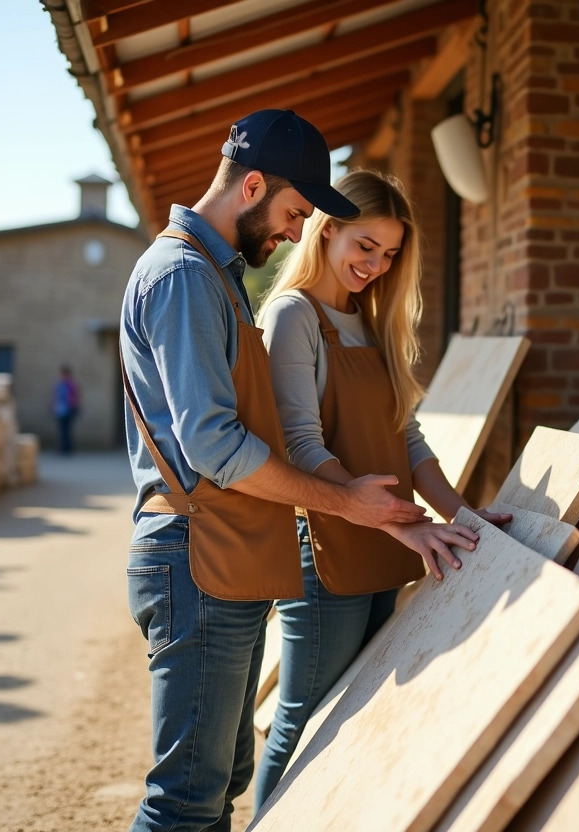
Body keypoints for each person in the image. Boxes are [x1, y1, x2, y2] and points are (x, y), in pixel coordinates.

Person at [118, 110, 479, 832]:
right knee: (187, 800)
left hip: (229, 555)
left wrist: (445, 509)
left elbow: (391, 432)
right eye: (291, 212)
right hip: (197, 555)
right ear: (252, 185)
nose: (292, 231)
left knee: (215, 788)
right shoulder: (185, 276)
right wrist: (349, 503)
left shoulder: (215, 277)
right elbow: (216, 447)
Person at [252, 170, 512, 807]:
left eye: (390, 253)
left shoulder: (371, 319)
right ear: (328, 229)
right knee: (302, 718)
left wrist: (462, 513)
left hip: (385, 543)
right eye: (365, 246)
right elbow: (303, 448)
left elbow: (409, 440)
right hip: (329, 548)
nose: (376, 265)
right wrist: (406, 523)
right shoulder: (294, 316)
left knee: (353, 714)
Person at [51, 364, 79, 454]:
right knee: (62, 430)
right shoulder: (60, 384)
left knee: (67, 430)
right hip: (60, 409)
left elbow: (75, 396)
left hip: (69, 409)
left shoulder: (71, 384)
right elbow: (56, 396)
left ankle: (67, 449)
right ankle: (62, 448)